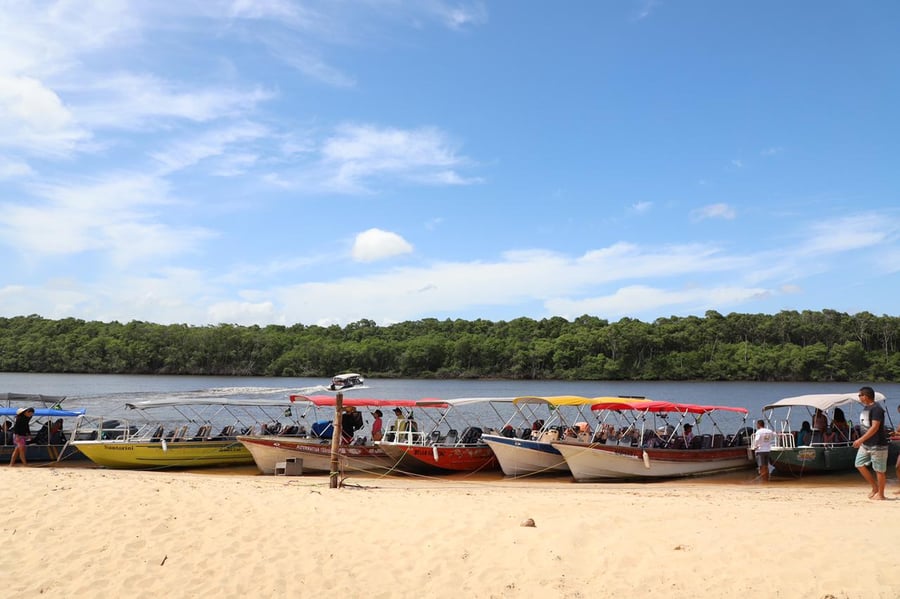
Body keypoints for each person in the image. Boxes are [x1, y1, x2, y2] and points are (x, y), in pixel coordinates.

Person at [852, 386, 888, 500]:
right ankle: (875, 487)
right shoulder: (866, 408)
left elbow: (875, 427)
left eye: (860, 395)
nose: (859, 397)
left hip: (878, 444)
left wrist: (860, 440)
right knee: (859, 463)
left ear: (865, 396)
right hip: (866, 443)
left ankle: (881, 494)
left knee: (879, 470)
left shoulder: (877, 409)